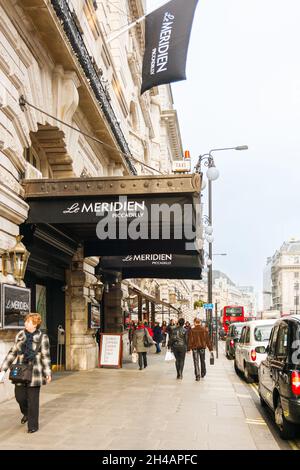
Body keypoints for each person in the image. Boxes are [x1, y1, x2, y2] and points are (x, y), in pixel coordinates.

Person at [0, 313, 51, 433]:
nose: (26, 323)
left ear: (35, 324)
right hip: (21, 370)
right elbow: (12, 352)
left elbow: (46, 356)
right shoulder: (20, 335)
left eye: (28, 321)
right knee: (20, 397)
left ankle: (33, 426)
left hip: (36, 371)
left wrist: (47, 373)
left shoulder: (43, 337)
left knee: (33, 400)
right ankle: (26, 413)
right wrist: (3, 368)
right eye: (26, 321)